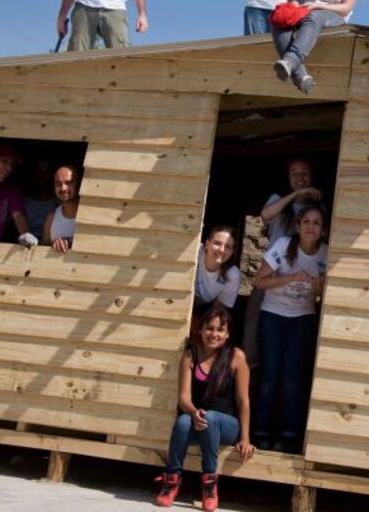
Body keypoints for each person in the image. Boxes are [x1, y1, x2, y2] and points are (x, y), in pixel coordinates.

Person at [154, 306, 254, 510]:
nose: (214, 334)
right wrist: (193, 412)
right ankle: (171, 480)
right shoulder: (190, 355)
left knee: (212, 418)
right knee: (182, 422)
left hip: (227, 425)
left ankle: (209, 484)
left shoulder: (237, 357)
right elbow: (183, 397)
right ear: (200, 330)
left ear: (227, 334)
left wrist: (245, 438)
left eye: (220, 330)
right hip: (199, 420)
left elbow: (243, 401)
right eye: (209, 328)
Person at [252, 205, 328, 453]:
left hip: (302, 317)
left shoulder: (326, 253)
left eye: (316, 222)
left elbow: (325, 294)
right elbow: (259, 281)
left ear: (323, 229)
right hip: (273, 314)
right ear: (297, 226)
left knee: (292, 379)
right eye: (305, 221)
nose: (310, 226)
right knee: (269, 377)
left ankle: (288, 436)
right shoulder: (284, 245)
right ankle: (260, 433)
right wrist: (292, 277)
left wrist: (318, 287)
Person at [260, 158, 323, 244]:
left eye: (304, 173)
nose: (299, 177)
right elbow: (265, 215)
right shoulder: (277, 199)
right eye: (294, 174)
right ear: (288, 178)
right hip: (276, 257)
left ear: (312, 177)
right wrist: (297, 193)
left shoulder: (318, 207)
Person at [192, 225, 242, 330]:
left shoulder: (232, 275)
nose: (222, 250)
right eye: (217, 243)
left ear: (232, 252)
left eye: (228, 247)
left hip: (200, 312)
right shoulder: (193, 252)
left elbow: (216, 312)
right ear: (207, 244)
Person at [43, 164, 81, 254]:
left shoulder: (90, 215)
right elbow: (42, 249)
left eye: (68, 183)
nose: (63, 188)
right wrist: (54, 244)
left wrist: (70, 243)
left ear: (78, 184)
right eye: (58, 183)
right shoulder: (50, 218)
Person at [22, 159, 59, 243]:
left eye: (47, 172)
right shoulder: (22, 202)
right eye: (39, 171)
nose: (42, 175)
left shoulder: (60, 204)